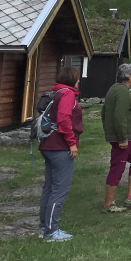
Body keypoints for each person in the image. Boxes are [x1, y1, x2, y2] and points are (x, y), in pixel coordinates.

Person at [38, 66, 83, 241]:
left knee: (49, 188)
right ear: (73, 79)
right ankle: (52, 231)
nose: (79, 81)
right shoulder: (67, 94)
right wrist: (72, 143)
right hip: (60, 147)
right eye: (77, 78)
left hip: (48, 144)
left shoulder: (56, 92)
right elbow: (64, 119)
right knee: (59, 189)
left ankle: (44, 227)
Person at [101, 63, 131, 212]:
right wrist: (121, 138)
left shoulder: (114, 89)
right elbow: (119, 116)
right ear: (128, 76)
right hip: (122, 138)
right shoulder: (121, 91)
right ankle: (109, 203)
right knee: (117, 167)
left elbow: (104, 113)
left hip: (125, 137)